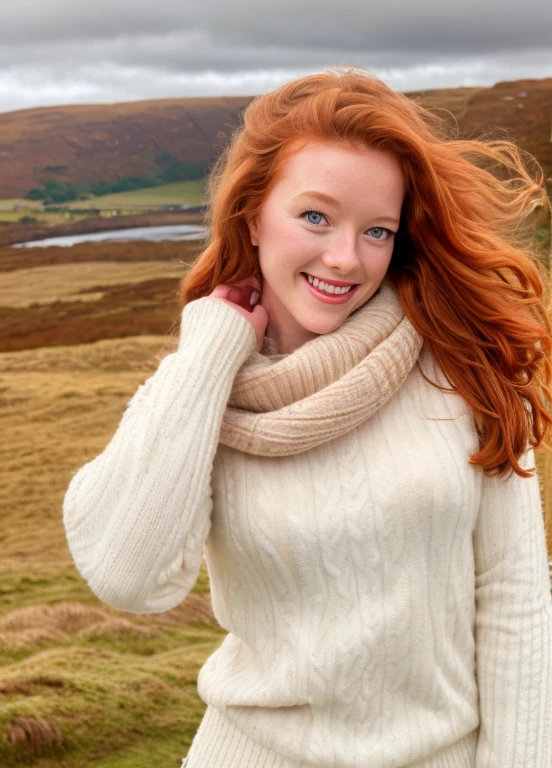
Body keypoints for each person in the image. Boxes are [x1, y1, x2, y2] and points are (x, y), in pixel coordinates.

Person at [62, 66, 552, 768]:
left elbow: (515, 605)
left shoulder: (464, 368)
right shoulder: (201, 391)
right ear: (253, 213)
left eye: (377, 230)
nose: (345, 258)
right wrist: (210, 354)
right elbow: (130, 577)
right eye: (315, 216)